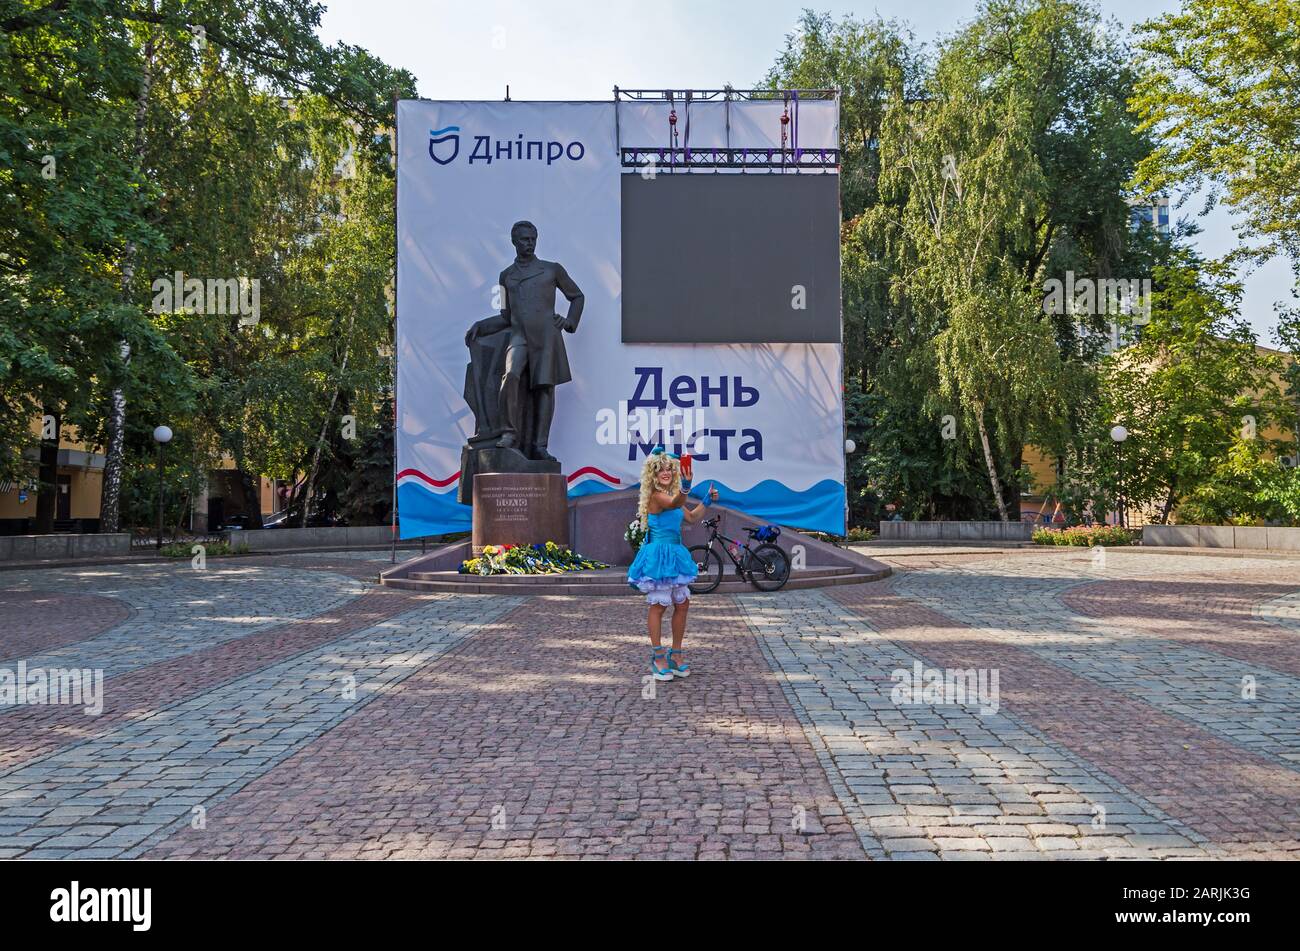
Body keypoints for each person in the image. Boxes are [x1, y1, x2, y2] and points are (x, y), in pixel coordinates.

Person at [627, 447, 718, 681]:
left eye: (669, 469)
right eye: (661, 470)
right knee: (659, 605)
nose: (666, 472)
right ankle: (657, 656)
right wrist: (686, 486)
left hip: (675, 554)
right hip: (659, 555)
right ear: (653, 475)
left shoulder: (673, 498)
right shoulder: (657, 496)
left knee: (683, 603)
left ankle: (675, 654)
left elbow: (692, 517)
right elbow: (677, 500)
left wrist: (706, 500)